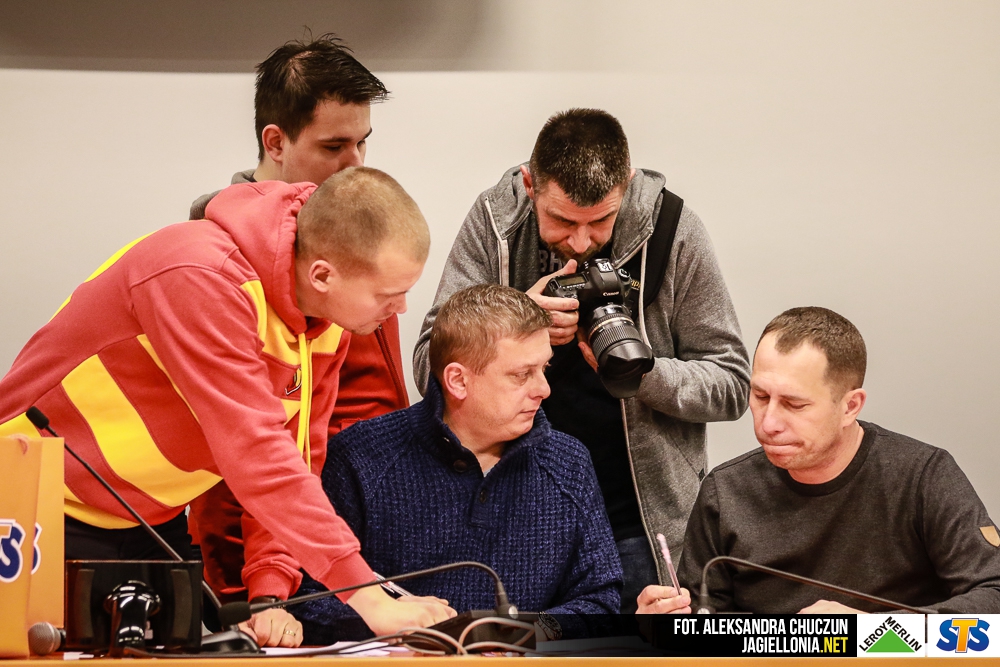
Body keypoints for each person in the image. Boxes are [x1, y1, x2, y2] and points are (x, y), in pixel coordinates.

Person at [0, 168, 456, 644]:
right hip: (35, 503)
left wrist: (269, 593)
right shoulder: (198, 274)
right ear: (322, 275)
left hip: (150, 520)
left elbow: (295, 459)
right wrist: (369, 598)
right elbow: (254, 451)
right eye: (389, 294)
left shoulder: (326, 321)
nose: (403, 309)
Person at [413, 108, 750, 612]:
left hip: (642, 519)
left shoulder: (673, 230)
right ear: (530, 184)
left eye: (600, 222)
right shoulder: (495, 222)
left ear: (626, 185)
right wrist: (514, 323)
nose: (580, 241)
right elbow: (429, 366)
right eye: (563, 220)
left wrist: (641, 372)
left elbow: (732, 384)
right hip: (513, 509)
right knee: (515, 645)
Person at [186, 34, 411, 622]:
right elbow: (251, 446)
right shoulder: (217, 260)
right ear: (275, 142)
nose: (355, 164)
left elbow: (377, 390)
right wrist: (261, 587)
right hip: (261, 538)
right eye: (334, 146)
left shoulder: (361, 222)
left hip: (359, 519)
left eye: (363, 142)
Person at [293, 284, 622, 642]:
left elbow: (600, 601)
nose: (544, 389)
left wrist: (522, 633)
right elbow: (307, 600)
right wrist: (392, 620)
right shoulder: (360, 456)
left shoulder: (568, 462)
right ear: (458, 380)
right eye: (521, 374)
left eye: (544, 368)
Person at [637, 307, 1000, 614]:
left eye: (794, 404)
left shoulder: (923, 477)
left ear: (850, 406)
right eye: (760, 396)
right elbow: (706, 626)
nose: (768, 423)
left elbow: (993, 595)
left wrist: (868, 632)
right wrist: (667, 627)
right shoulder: (725, 492)